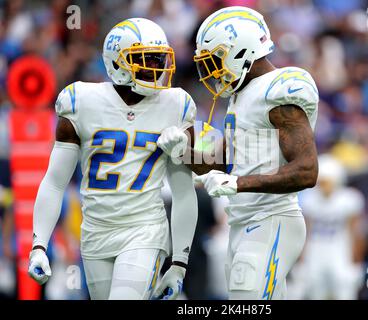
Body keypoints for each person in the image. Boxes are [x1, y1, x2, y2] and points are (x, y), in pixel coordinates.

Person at [28, 18, 198, 300]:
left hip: (144, 230)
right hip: (95, 231)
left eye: (160, 59)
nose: (158, 68)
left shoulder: (176, 105)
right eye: (147, 60)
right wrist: (39, 245)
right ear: (117, 62)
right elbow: (55, 182)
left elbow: (183, 191)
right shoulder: (81, 101)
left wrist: (179, 263)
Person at [157, 6, 319, 300]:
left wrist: (239, 184)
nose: (211, 71)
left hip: (272, 218)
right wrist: (182, 149)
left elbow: (307, 171)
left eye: (215, 59)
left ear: (240, 50)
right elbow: (220, 164)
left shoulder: (278, 90)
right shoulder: (240, 96)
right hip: (241, 222)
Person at [296, 154, 366, 300]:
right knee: (316, 292)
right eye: (321, 182)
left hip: (340, 250)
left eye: (326, 182)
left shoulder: (349, 200)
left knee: (344, 292)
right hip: (315, 251)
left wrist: (357, 261)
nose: (323, 186)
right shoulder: (309, 199)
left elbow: (357, 232)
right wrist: (301, 260)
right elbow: (305, 232)